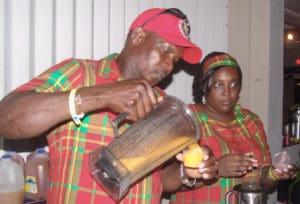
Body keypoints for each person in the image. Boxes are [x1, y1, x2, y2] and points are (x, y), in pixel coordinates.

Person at [0, 8, 218, 204]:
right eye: (166, 51)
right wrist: (101, 95)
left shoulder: (162, 104)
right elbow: (6, 118)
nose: (169, 66)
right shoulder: (81, 75)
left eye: (176, 60)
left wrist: (186, 172)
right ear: (138, 36)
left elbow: (157, 180)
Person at [166, 51, 297, 203]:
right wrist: (217, 169)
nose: (227, 92)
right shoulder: (186, 121)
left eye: (234, 84)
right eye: (218, 84)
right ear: (204, 85)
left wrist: (275, 173)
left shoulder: (251, 121)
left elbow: (262, 181)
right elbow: (167, 183)